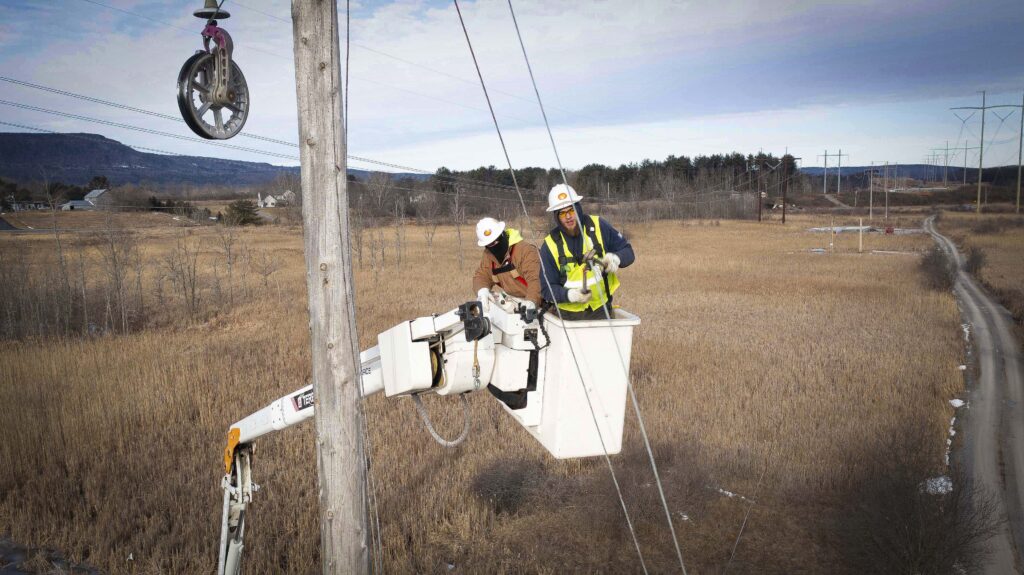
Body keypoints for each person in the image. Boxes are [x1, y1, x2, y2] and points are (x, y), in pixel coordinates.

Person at [539, 184, 634, 320]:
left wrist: (616, 258)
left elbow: (628, 252)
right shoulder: (549, 245)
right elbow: (547, 289)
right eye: (562, 213)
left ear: (578, 208)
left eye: (571, 210)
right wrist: (570, 295)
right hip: (567, 318)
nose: (568, 217)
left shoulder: (598, 226)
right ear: (556, 216)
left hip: (601, 311)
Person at [472, 217, 543, 310]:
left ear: (503, 234)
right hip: (517, 304)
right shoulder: (489, 256)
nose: (495, 245)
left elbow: (536, 280)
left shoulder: (525, 251)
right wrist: (482, 291)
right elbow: (481, 276)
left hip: (541, 305)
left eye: (497, 240)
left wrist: (531, 301)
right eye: (490, 244)